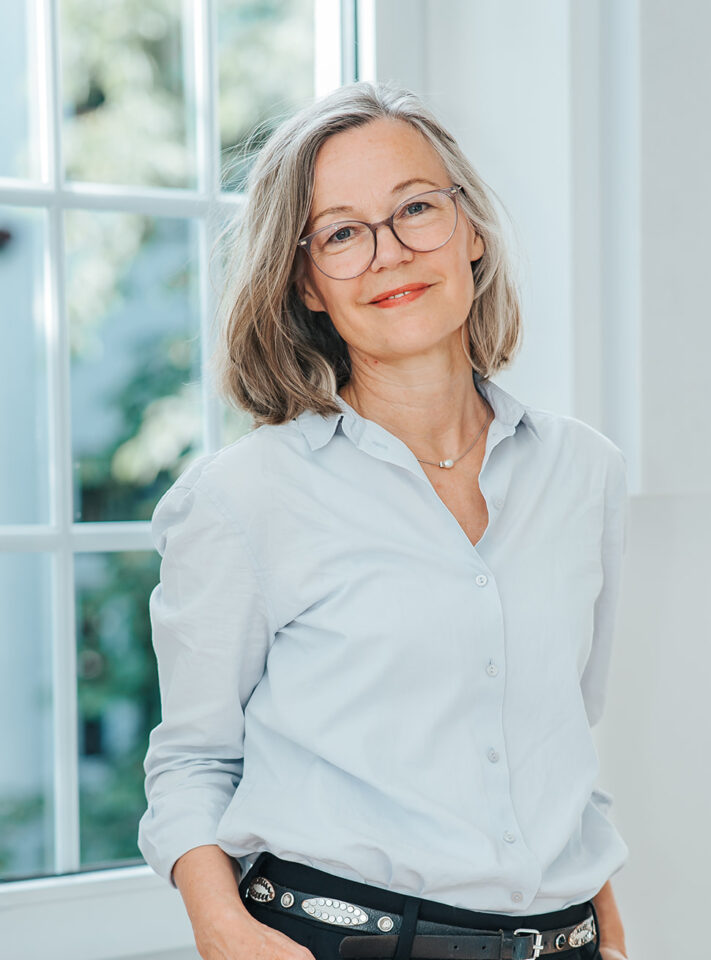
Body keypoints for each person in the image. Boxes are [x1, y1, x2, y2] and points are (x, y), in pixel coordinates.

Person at [137, 79, 630, 960]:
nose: (390, 253)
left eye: (415, 209)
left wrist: (612, 938)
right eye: (341, 233)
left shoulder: (583, 472)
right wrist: (223, 930)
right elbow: (192, 763)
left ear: (470, 230)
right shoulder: (245, 497)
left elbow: (555, 745)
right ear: (306, 284)